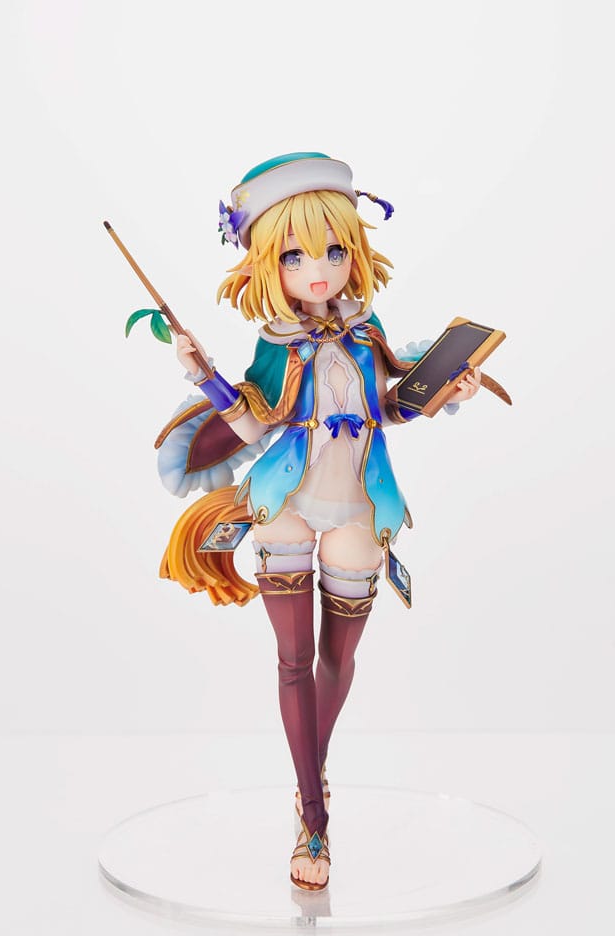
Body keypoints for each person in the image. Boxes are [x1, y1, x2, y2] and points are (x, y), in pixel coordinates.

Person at [157, 152, 481, 891]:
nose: (318, 270)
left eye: (334, 250)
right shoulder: (275, 342)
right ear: (265, 262)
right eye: (294, 255)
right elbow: (251, 426)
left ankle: (313, 765)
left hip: (361, 505)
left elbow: (388, 410)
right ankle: (313, 817)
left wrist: (443, 391)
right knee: (293, 662)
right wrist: (201, 372)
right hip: (285, 505)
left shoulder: (367, 333)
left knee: (338, 660)